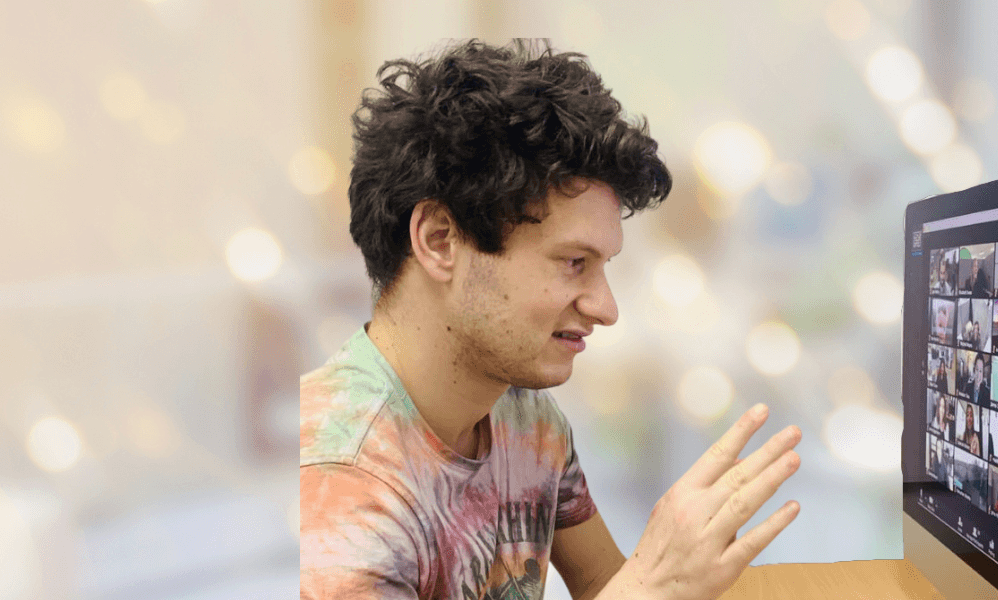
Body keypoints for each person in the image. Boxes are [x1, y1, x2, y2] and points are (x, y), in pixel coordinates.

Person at [300, 41, 804, 600]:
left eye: (603, 267)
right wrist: (654, 582)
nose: (605, 308)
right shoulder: (340, 483)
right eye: (573, 263)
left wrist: (672, 567)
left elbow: (604, 587)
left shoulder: (527, 420)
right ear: (440, 241)